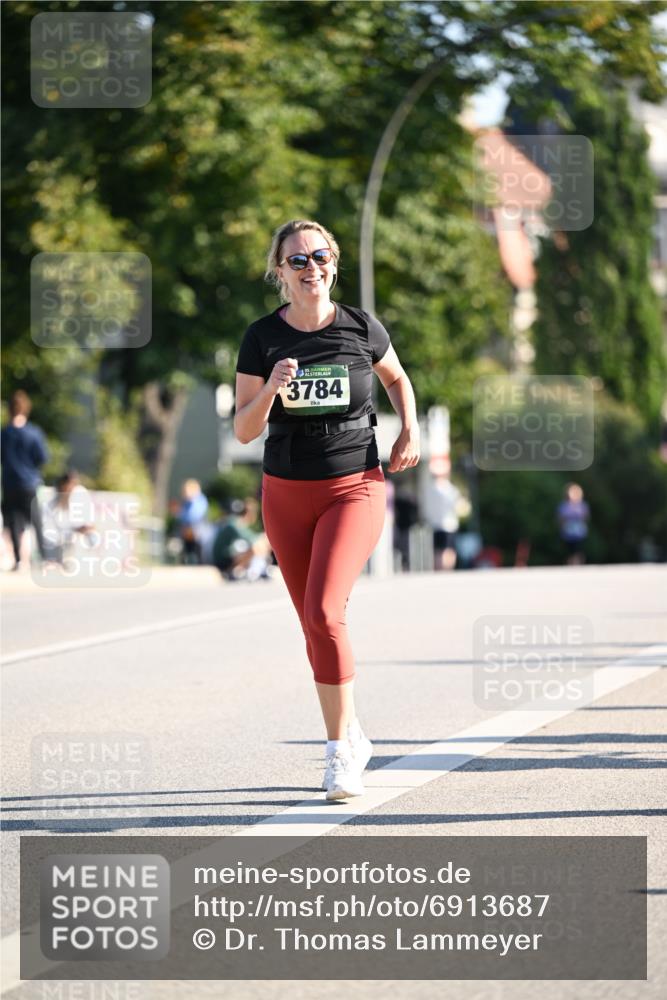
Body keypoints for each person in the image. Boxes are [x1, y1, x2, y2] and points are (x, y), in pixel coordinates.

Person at [234, 219, 420, 801]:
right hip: (284, 493)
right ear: (280, 273)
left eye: (319, 256)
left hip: (354, 486)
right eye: (297, 260)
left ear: (334, 264)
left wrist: (409, 429)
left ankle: (340, 754)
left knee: (323, 610)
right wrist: (271, 388)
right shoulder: (262, 339)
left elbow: (398, 379)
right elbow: (243, 429)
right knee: (312, 622)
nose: (310, 267)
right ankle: (353, 732)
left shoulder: (363, 328)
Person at [1, 390, 49, 571]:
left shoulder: (4, 434)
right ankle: (44, 558)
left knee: (13, 521)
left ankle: (19, 560)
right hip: (29, 483)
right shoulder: (34, 433)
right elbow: (42, 457)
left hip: (10, 483)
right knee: (36, 521)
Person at [41, 469, 97, 564]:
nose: (70, 488)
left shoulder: (80, 493)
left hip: (77, 531)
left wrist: (85, 527)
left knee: (93, 537)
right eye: (68, 485)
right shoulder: (53, 500)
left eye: (73, 484)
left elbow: (88, 520)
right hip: (59, 535)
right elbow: (49, 524)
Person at [212, 497, 272, 581]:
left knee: (260, 544)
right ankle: (235, 571)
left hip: (230, 555)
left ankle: (260, 568)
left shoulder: (236, 523)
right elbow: (252, 539)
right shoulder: (234, 523)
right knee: (255, 548)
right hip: (223, 560)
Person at [423, 468, 461, 571]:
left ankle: (438, 568)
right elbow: (455, 505)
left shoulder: (430, 489)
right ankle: (446, 569)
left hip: (435, 524)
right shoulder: (448, 489)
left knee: (437, 550)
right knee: (448, 549)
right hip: (448, 524)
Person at [176, 479, 209, 564]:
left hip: (197, 530)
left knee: (198, 551)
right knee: (187, 549)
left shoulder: (199, 500)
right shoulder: (186, 502)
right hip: (187, 530)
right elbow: (182, 515)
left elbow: (195, 514)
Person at [557, 482, 590, 565]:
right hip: (568, 532)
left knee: (578, 549)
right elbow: (560, 518)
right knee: (570, 550)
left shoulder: (582, 505)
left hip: (579, 532)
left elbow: (586, 517)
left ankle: (578, 564)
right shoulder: (564, 505)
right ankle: (571, 565)